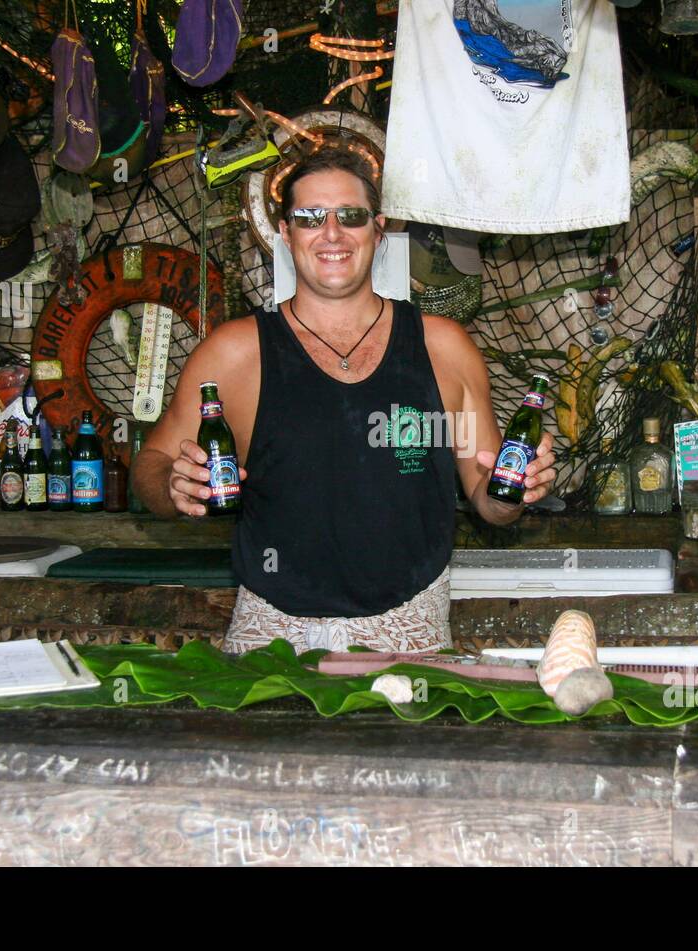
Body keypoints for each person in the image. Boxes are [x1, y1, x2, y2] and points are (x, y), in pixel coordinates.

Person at [132, 147, 556, 653]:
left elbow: (489, 499)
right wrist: (173, 485)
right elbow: (151, 467)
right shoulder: (233, 353)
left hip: (411, 630)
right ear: (286, 235)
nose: (331, 233)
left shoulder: (444, 348)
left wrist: (518, 490)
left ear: (378, 231)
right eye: (310, 217)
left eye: (350, 217)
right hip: (271, 635)